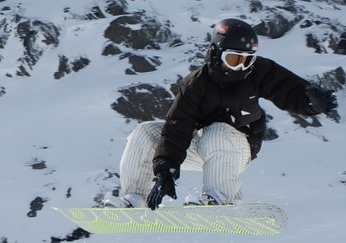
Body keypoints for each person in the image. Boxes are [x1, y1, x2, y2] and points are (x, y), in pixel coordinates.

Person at [105, 18, 337, 210]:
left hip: (237, 150)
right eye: (234, 59)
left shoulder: (257, 73)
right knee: (146, 131)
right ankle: (135, 199)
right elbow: (178, 127)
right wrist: (165, 170)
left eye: (247, 60)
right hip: (204, 148)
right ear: (216, 53)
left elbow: (288, 90)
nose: (240, 67)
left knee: (217, 131)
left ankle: (220, 196)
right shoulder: (195, 84)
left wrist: (311, 102)